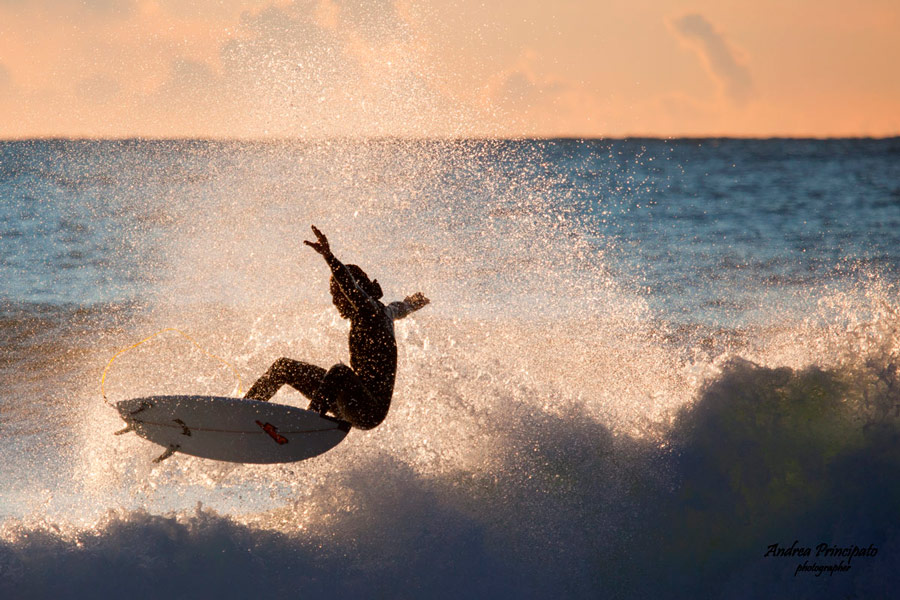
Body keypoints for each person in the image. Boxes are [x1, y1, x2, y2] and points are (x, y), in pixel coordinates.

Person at [243, 225, 429, 430]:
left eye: (337, 296)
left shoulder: (369, 311)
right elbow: (400, 307)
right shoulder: (385, 312)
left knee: (340, 372)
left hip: (368, 411)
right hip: (348, 400)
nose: (335, 303)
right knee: (283, 367)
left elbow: (349, 284)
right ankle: (243, 412)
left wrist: (328, 256)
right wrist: (413, 302)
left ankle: (308, 424)